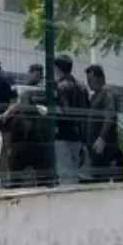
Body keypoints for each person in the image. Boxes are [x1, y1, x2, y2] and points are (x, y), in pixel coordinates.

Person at [53, 54, 89, 185]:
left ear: (58, 69)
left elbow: (64, 111)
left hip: (63, 133)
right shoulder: (82, 87)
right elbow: (87, 112)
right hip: (79, 134)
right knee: (76, 168)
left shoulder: (60, 86)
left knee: (64, 171)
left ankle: (67, 198)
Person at [85, 64, 123, 181]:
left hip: (105, 144)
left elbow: (109, 117)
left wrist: (101, 138)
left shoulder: (108, 94)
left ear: (100, 78)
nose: (88, 83)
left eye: (90, 80)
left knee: (104, 175)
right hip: (94, 144)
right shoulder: (94, 96)